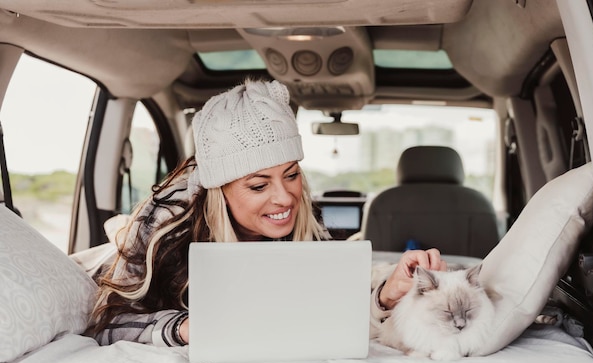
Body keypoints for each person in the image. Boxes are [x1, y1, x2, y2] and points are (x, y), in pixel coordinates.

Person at [89, 79, 447, 347]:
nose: (284, 198)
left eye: (291, 175)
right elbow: (108, 322)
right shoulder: (168, 225)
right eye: (259, 186)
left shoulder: (305, 221)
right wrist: (185, 327)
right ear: (220, 190)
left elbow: (333, 309)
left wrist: (387, 294)